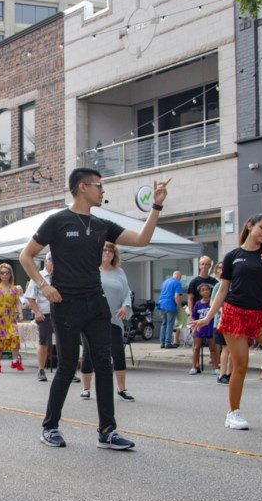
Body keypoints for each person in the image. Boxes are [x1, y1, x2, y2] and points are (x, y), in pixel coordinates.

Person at [20, 168, 170, 450]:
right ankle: (50, 426)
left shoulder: (102, 225)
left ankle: (107, 431)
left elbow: (141, 240)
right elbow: (25, 256)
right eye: (99, 186)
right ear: (82, 187)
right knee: (66, 366)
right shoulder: (57, 221)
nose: (103, 191)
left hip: (96, 302)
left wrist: (157, 207)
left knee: (104, 363)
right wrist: (43, 285)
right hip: (66, 304)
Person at [190, 213, 262, 431]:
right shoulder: (232, 256)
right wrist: (208, 317)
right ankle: (233, 412)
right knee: (241, 365)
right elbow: (223, 290)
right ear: (250, 226)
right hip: (234, 313)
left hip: (260, 314)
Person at [79, 242, 135, 402]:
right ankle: (86, 388)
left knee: (118, 352)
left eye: (111, 250)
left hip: (114, 318)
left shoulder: (119, 272)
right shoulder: (91, 270)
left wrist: (125, 306)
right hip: (91, 319)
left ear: (114, 254)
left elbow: (127, 293)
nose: (107, 252)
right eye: (104, 250)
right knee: (88, 353)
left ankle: (122, 389)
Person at [24, 252, 55, 382]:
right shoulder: (38, 277)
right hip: (45, 314)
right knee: (43, 342)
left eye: (55, 259)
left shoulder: (64, 275)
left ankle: (69, 371)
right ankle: (41, 370)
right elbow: (30, 297)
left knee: (64, 342)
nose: (53, 262)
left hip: (61, 313)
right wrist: (37, 312)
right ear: (45, 261)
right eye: (51, 259)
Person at [190, 283, 216, 375]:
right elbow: (194, 317)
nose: (205, 291)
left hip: (210, 327)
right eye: (203, 290)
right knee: (196, 348)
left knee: (212, 348)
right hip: (200, 328)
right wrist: (193, 328)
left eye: (207, 290)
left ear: (210, 291)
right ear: (200, 292)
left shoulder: (213, 302)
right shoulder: (197, 304)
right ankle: (194, 366)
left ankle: (214, 367)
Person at [157, 270, 182, 349]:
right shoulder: (177, 283)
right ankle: (168, 343)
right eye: (180, 278)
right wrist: (180, 306)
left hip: (161, 304)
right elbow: (176, 296)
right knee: (170, 324)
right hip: (170, 305)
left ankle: (162, 342)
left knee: (163, 323)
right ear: (178, 277)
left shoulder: (165, 282)